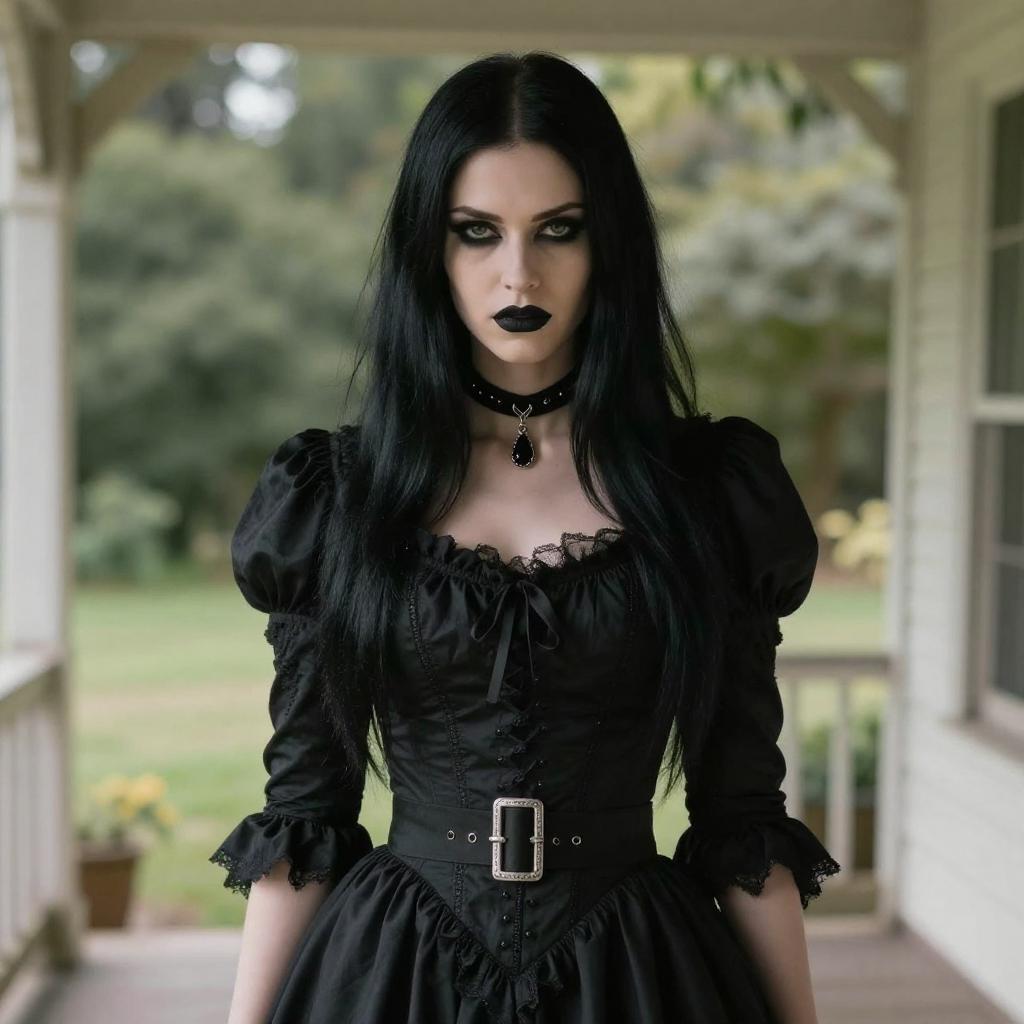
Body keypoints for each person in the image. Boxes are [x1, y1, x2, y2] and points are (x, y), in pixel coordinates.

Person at [210, 50, 841, 1024]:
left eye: (559, 230)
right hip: (397, 975)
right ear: (431, 248)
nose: (518, 271)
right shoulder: (339, 496)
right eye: (476, 232)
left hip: (633, 978)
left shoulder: (709, 492)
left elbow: (741, 823)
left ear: (610, 245)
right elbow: (305, 820)